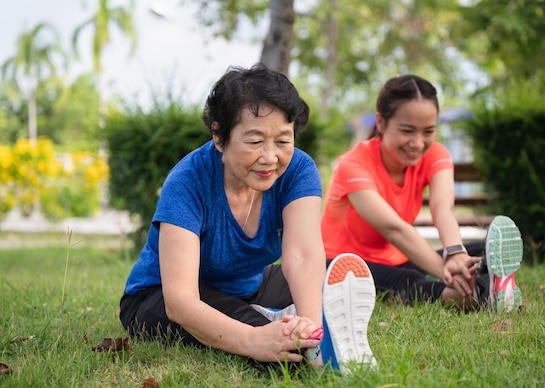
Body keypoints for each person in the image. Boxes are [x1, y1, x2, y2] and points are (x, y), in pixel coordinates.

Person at [119, 63, 376, 372]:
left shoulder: (298, 169)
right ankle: (268, 322)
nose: (270, 158)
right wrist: (254, 339)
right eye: (255, 142)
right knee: (283, 357)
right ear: (219, 136)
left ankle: (301, 328)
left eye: (283, 141)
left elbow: (303, 254)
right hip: (159, 297)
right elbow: (180, 301)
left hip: (248, 284)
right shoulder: (187, 182)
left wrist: (311, 328)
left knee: (329, 276)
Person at [320, 74, 523, 312]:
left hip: (397, 257)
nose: (417, 143)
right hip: (338, 263)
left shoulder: (436, 154)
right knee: (404, 279)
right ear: (381, 123)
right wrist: (447, 271)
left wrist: (455, 253)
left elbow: (442, 209)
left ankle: (486, 284)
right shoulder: (353, 164)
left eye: (428, 131)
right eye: (407, 131)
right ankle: (473, 297)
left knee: (479, 250)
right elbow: (395, 230)